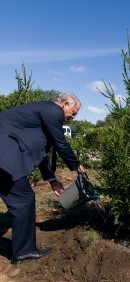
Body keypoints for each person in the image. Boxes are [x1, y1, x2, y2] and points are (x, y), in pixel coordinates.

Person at [0, 92, 86, 265]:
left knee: (22, 198)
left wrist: (53, 180)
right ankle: (24, 252)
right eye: (73, 112)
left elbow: (41, 153)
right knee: (23, 199)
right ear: (65, 104)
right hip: (3, 157)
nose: (73, 117)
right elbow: (60, 142)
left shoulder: (43, 113)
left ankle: (24, 250)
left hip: (4, 157)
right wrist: (76, 165)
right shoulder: (53, 111)